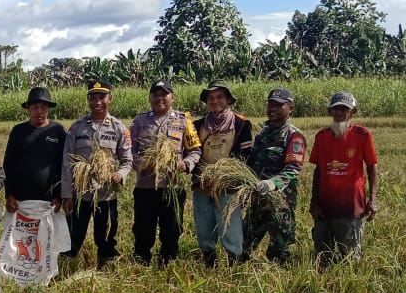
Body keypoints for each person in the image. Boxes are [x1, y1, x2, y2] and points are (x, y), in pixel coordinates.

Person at [61, 81, 132, 269]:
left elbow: (127, 161)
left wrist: (120, 174)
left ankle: (105, 270)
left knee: (106, 237)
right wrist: (66, 194)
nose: (97, 102)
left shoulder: (119, 128)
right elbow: (67, 162)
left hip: (106, 195)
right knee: (72, 237)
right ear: (88, 100)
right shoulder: (76, 128)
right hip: (80, 195)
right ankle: (66, 271)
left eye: (102, 97)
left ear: (110, 98)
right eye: (93, 98)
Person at [129, 78, 201, 265]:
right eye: (155, 95)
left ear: (172, 97)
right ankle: (141, 261)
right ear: (150, 98)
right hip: (145, 187)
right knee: (143, 228)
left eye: (164, 94)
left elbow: (195, 151)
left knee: (172, 227)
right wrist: (142, 163)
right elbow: (129, 151)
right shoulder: (139, 121)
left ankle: (168, 261)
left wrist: (185, 164)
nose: (159, 98)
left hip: (173, 186)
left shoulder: (184, 120)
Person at [309, 91, 378, 267]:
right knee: (323, 255)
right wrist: (314, 202)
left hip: (351, 205)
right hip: (325, 205)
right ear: (330, 111)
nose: (340, 113)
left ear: (352, 112)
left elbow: (371, 166)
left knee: (349, 256)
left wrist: (372, 199)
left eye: (344, 109)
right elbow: (318, 171)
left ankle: (349, 288)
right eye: (336, 109)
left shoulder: (362, 135)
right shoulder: (321, 136)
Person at [191, 81, 254, 267]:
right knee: (204, 228)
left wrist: (227, 175)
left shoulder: (241, 124)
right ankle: (209, 261)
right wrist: (200, 174)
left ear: (228, 100)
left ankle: (234, 265)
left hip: (228, 186)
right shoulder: (197, 125)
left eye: (220, 97)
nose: (215, 101)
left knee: (230, 228)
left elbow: (245, 156)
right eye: (211, 98)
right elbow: (192, 153)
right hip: (203, 185)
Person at [240, 88, 306, 264]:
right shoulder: (263, 133)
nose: (272, 109)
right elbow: (253, 162)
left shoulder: (294, 135)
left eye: (278, 105)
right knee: (243, 244)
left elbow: (293, 168)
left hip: (280, 201)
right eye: (270, 104)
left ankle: (280, 284)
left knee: (279, 248)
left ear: (290, 108)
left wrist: (273, 183)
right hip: (258, 197)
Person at [3, 86, 66, 214]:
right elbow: (8, 163)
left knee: (47, 234)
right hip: (20, 199)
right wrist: (9, 194)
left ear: (49, 109)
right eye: (35, 107)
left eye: (43, 107)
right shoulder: (18, 131)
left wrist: (59, 196)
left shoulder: (58, 130)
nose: (39, 111)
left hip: (48, 200)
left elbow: (63, 165)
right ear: (28, 109)